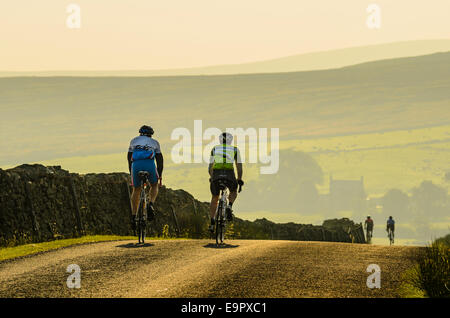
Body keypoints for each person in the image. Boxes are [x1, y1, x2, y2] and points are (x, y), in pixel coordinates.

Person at [127, 125, 164, 230]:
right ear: (151, 134)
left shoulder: (133, 141)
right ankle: (151, 203)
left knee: (136, 189)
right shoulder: (155, 143)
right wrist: (160, 176)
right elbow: (160, 161)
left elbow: (129, 158)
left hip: (136, 165)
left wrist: (131, 172)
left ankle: (134, 216)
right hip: (149, 164)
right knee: (154, 185)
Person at [208, 132, 244, 232]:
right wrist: (239, 179)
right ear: (230, 141)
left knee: (215, 198)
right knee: (233, 191)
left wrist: (212, 177)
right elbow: (239, 166)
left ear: (220, 140)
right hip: (229, 174)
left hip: (216, 173)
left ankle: (212, 222)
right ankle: (229, 206)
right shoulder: (235, 150)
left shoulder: (215, 149)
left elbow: (210, 166)